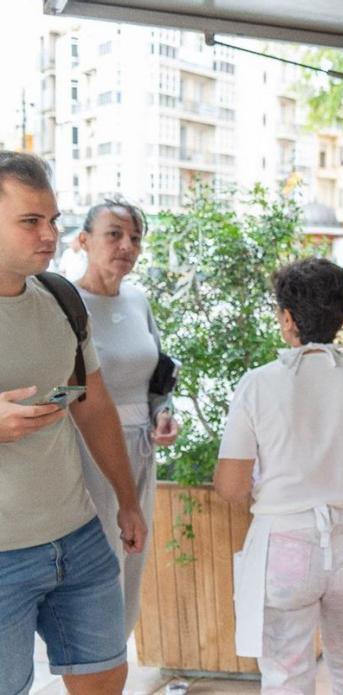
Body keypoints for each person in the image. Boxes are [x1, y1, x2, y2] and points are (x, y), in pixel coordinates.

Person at [0, 151, 147, 694]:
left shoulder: (61, 299)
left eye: (54, 221)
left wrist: (126, 500)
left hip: (78, 538)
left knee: (108, 679)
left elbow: (89, 402)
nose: (50, 235)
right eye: (30, 221)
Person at [214, 257, 343, 693]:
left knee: (286, 671)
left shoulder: (256, 384)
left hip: (285, 543)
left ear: (287, 318)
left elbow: (230, 487)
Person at [74, 198, 180, 637]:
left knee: (133, 560)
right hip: (85, 452)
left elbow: (157, 378)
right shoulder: (64, 301)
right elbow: (58, 385)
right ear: (83, 240)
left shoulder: (138, 300)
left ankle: (114, 667)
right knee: (98, 566)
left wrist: (163, 413)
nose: (127, 246)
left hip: (140, 453)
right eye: (113, 234)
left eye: (135, 237)